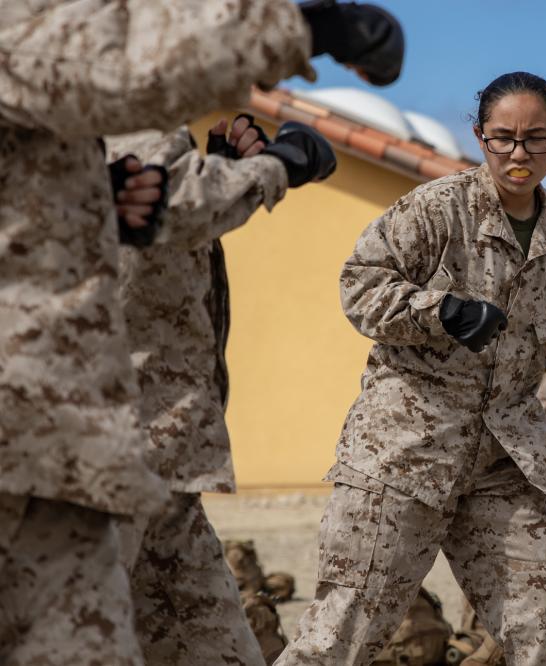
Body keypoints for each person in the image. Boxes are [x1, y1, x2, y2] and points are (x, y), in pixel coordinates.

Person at [0, 2, 401, 662]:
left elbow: (145, 200)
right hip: (69, 446)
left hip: (130, 453)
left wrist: (117, 193)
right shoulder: (65, 53)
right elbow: (124, 73)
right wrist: (300, 37)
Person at [276, 72, 546, 666]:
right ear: (481, 137)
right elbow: (359, 287)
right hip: (404, 456)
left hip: (504, 461)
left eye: (536, 138)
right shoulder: (436, 208)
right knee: (341, 637)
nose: (519, 153)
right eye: (503, 138)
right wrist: (439, 310)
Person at [106, 115, 335, 666]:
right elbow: (180, 203)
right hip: (104, 464)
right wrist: (276, 166)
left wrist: (227, 168)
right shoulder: (108, 130)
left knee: (221, 647)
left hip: (171, 465)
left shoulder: (158, 136)